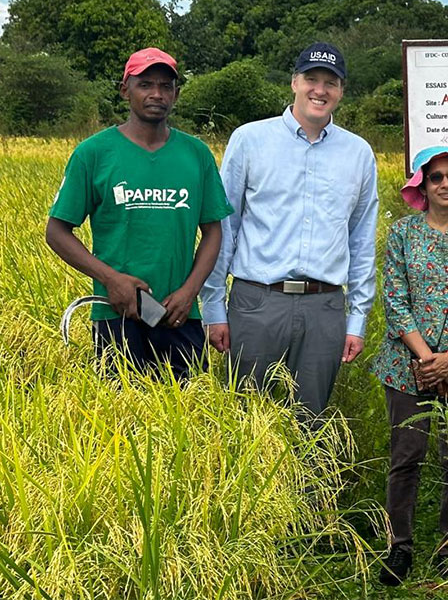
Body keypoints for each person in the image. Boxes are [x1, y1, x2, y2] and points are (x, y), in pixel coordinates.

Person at [200, 42, 378, 416]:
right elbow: (223, 226)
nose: (320, 90)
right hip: (257, 302)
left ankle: (308, 477)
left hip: (325, 306)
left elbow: (361, 238)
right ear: (294, 82)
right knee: (248, 419)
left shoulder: (358, 152)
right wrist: (214, 308)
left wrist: (357, 319)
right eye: (311, 79)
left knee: (310, 422)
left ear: (341, 91)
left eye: (331, 82)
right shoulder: (249, 140)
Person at [46, 48, 234, 375]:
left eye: (166, 86)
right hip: (118, 313)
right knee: (118, 421)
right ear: (125, 90)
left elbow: (214, 231)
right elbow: (57, 231)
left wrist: (190, 291)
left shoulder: (196, 154)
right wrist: (110, 279)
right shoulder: (94, 154)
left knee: (188, 417)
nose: (156, 94)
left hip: (180, 315)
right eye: (145, 84)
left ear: (176, 93)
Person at [374, 146, 448, 586]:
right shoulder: (404, 234)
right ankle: (399, 546)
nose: (445, 183)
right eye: (436, 177)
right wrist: (426, 357)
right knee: (406, 457)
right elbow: (395, 298)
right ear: (422, 187)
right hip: (407, 366)